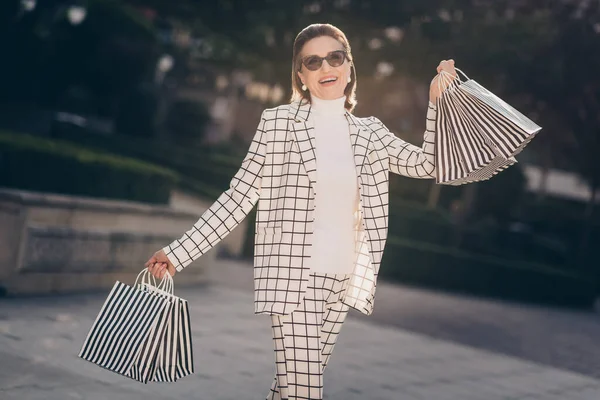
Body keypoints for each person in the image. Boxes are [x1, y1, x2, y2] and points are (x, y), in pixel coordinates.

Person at [145, 23, 456, 400]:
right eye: (313, 61)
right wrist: (179, 253)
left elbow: (428, 164)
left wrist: (440, 103)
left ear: (349, 66)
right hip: (293, 279)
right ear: (301, 75)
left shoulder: (371, 133)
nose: (326, 67)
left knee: (289, 389)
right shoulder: (277, 125)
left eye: (335, 57)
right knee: (307, 391)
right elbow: (237, 197)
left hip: (340, 282)